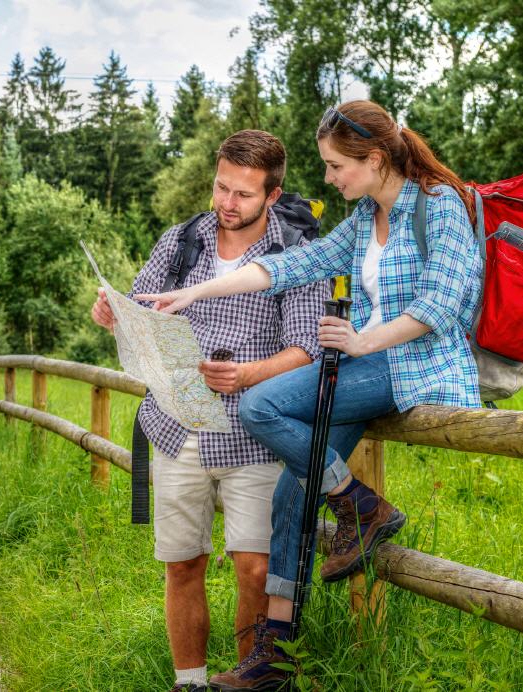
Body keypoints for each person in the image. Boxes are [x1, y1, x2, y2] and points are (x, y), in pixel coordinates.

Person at [137, 100, 483, 690]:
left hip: (415, 366)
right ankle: (273, 660)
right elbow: (293, 265)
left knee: (261, 404)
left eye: (335, 166)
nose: (327, 178)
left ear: (374, 159)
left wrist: (362, 341)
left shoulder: (439, 206)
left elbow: (442, 303)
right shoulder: (365, 217)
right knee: (293, 493)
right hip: (363, 362)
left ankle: (362, 506)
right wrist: (195, 294)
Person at [91, 130, 329, 692]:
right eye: (222, 187)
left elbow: (307, 348)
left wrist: (248, 374)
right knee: (182, 563)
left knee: (255, 569)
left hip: (252, 431)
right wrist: (113, 314)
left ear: (272, 195)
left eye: (243, 194)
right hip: (176, 425)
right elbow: (141, 308)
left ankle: (248, 681)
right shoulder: (182, 240)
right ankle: (191, 683)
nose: (227, 202)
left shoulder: (297, 255)